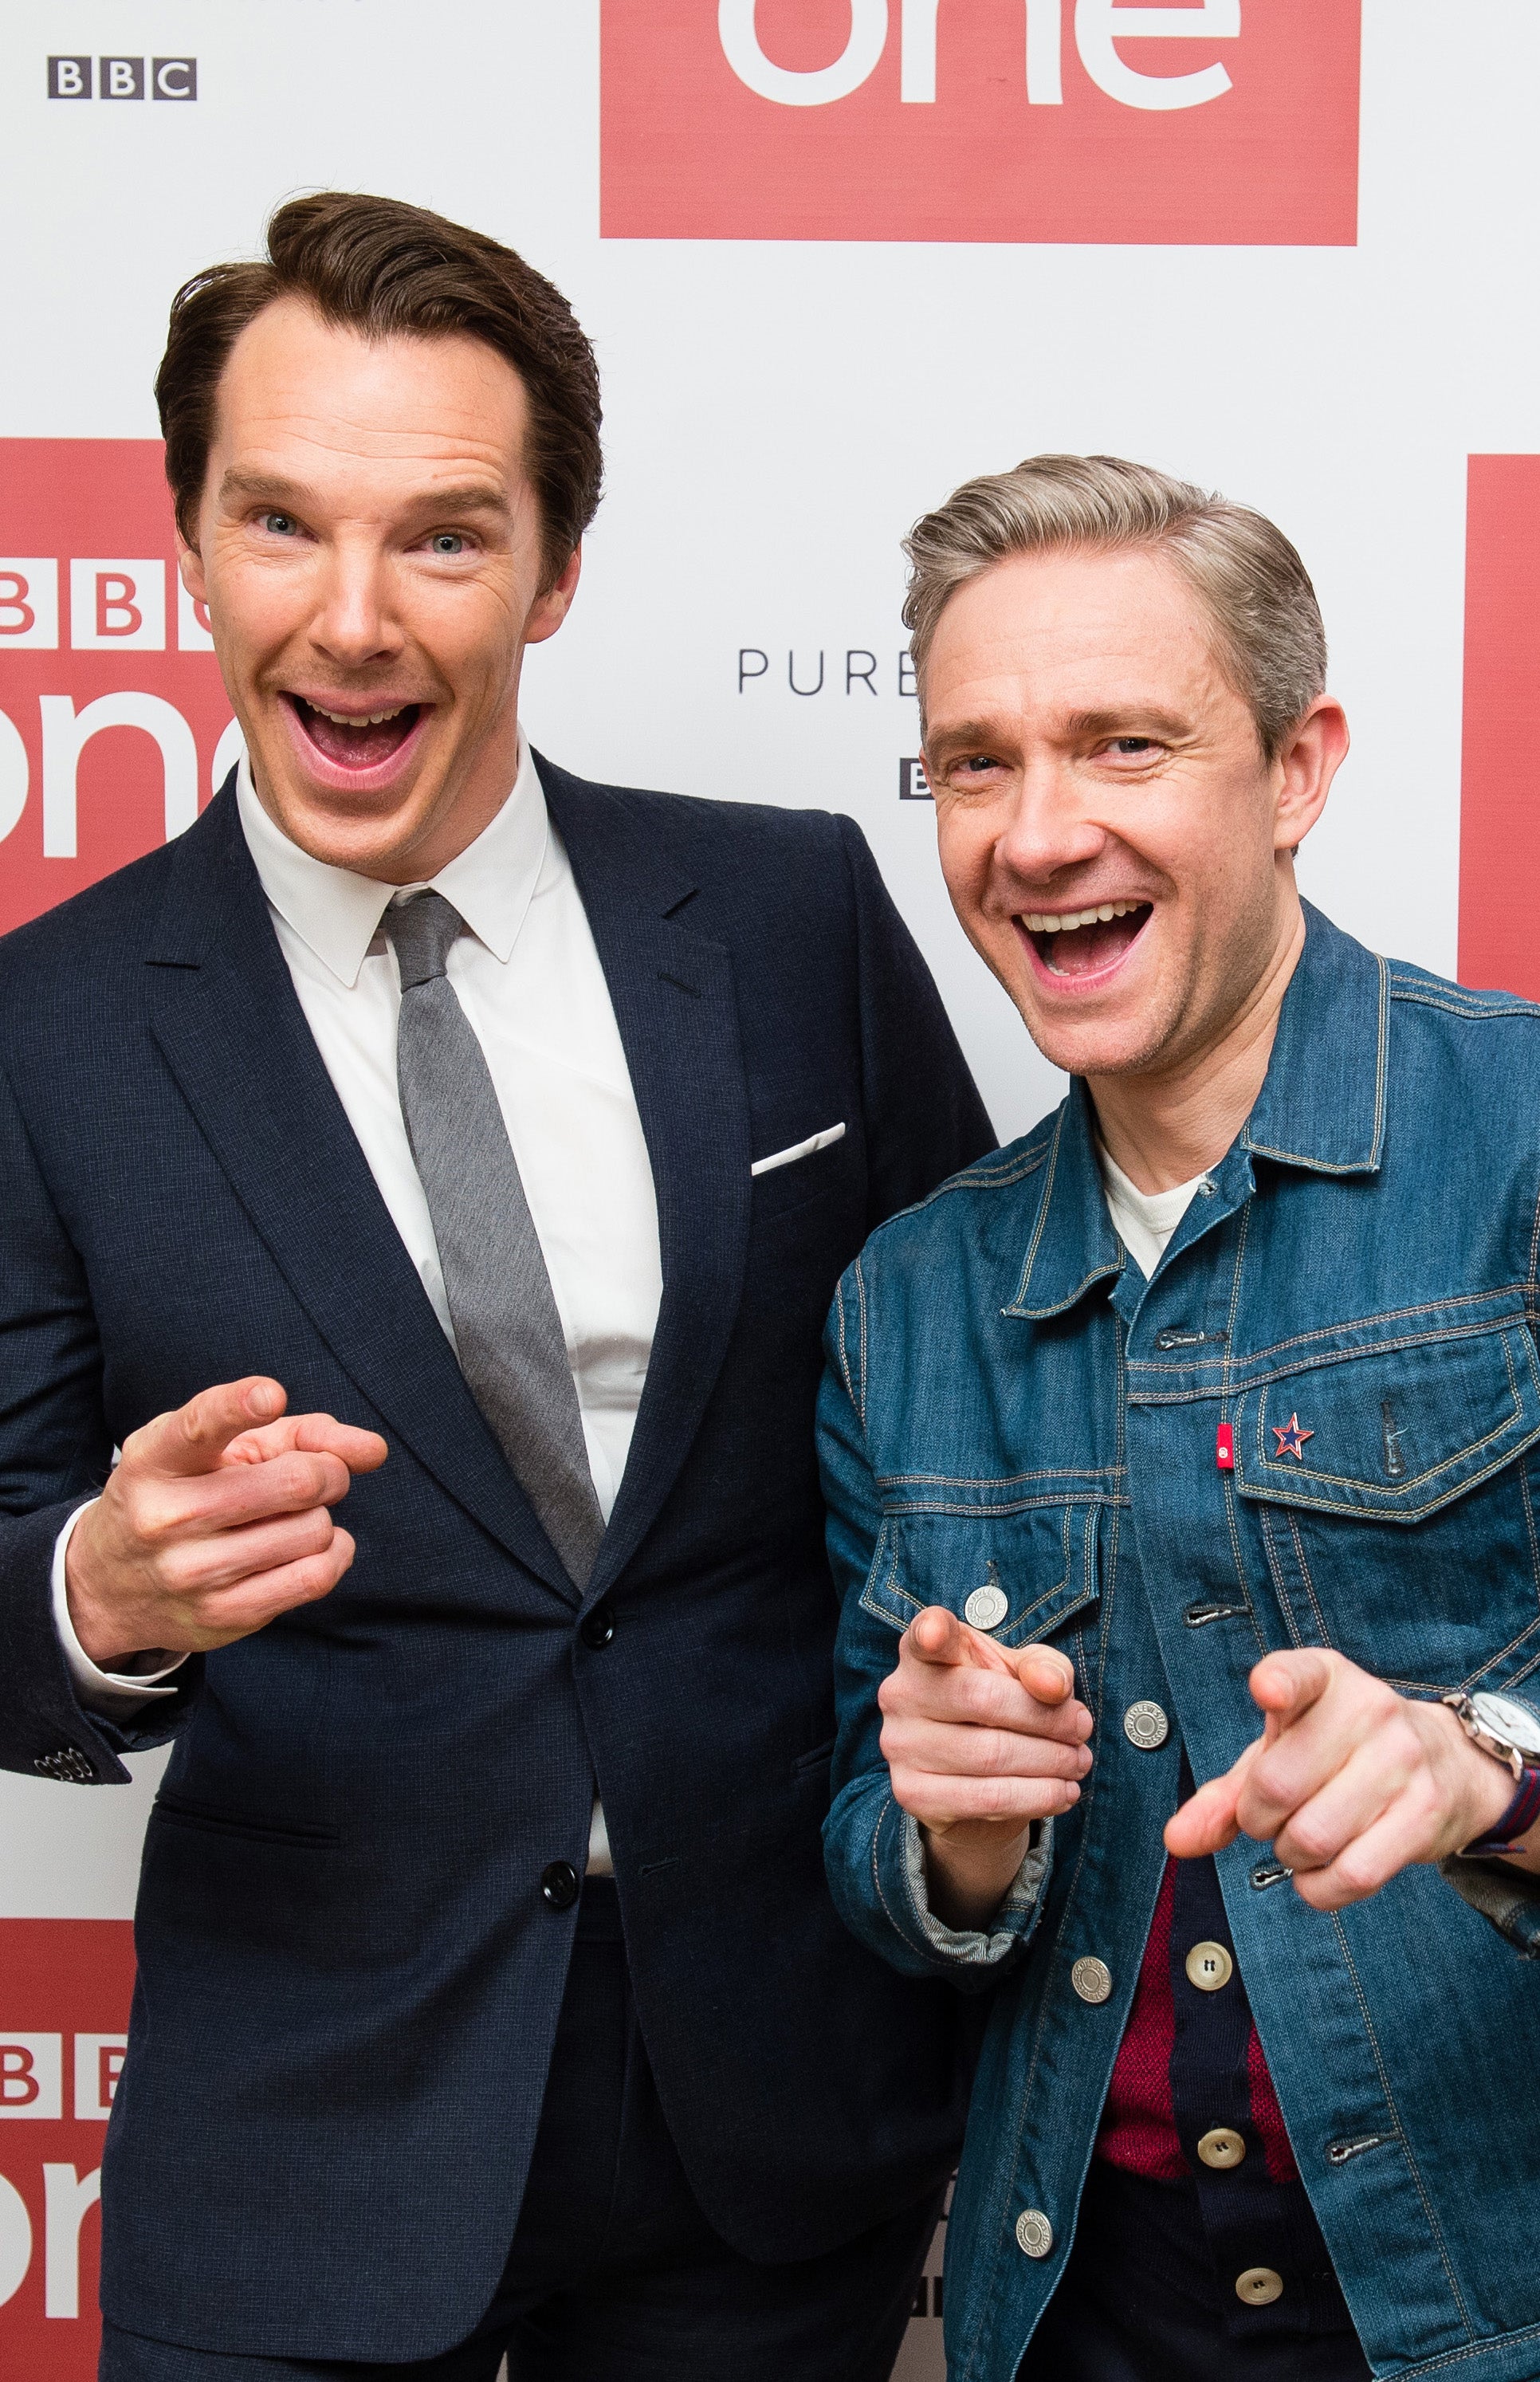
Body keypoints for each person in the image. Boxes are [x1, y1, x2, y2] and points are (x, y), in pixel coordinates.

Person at [0, 193, 996, 2382]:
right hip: (308, 2131)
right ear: (187, 536)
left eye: (442, 538)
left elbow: (988, 1398)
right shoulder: (45, 1030)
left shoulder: (786, 916)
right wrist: (104, 1589)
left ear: (553, 570)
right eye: (279, 522)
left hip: (772, 2118)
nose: (350, 621)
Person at [819, 454, 1540, 2382]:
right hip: (1082, 2317)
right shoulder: (909, 1301)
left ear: (1296, 771)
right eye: (975, 764)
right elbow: (876, 1859)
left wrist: (1494, 1771)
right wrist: (953, 1830)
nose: (1039, 834)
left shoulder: (1524, 1147)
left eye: (1123, 745)